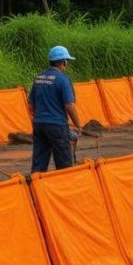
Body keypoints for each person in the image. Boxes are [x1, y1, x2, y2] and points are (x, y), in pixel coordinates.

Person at [28, 45, 83, 173]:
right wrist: (78, 125)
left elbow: (30, 104)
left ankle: (35, 188)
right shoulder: (63, 80)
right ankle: (64, 188)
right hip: (57, 127)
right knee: (64, 165)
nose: (67, 64)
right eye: (67, 61)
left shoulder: (39, 78)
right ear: (62, 62)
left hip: (39, 125)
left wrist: (39, 117)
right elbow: (69, 105)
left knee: (39, 163)